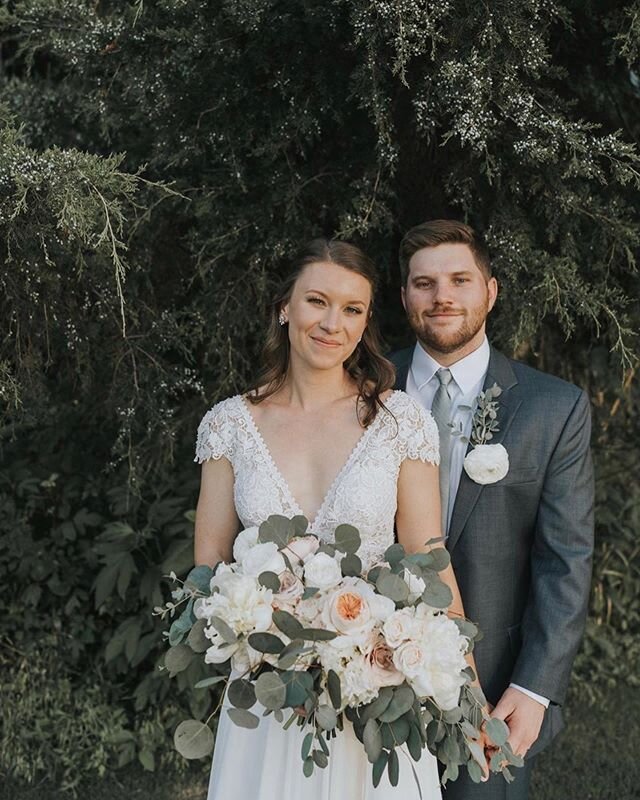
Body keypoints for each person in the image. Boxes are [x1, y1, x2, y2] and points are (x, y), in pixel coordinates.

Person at [193, 238, 486, 799]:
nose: (333, 324)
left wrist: (467, 691)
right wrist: (260, 631)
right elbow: (206, 573)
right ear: (285, 307)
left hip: (374, 688)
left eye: (352, 310)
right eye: (317, 302)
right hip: (268, 692)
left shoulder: (400, 420)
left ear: (366, 320)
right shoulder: (229, 425)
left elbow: (429, 563)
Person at [390, 220, 594, 800]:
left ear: (491, 291)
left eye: (459, 279)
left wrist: (534, 688)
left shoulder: (554, 409)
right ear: (405, 296)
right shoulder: (366, 385)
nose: (442, 297)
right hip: (372, 666)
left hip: (495, 682)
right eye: (423, 284)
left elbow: (566, 560)